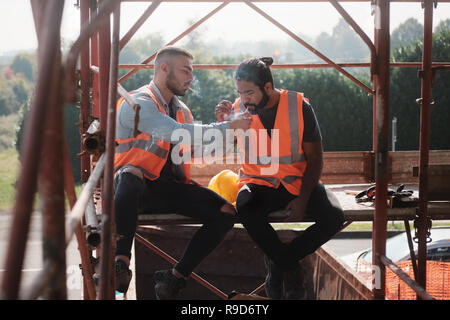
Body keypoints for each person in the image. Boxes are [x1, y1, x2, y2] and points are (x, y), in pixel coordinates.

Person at [113, 46, 251, 299]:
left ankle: (175, 277)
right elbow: (172, 131)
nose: (191, 78)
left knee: (225, 212)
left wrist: (230, 130)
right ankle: (120, 262)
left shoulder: (182, 110)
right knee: (131, 172)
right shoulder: (139, 102)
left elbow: (202, 153)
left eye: (192, 72)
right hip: (133, 190)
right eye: (185, 71)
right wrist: (224, 126)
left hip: (168, 190)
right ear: (163, 69)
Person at [215, 57, 345, 299]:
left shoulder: (299, 107)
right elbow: (219, 147)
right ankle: (291, 267)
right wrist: (224, 124)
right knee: (245, 209)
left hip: (295, 183)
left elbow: (315, 159)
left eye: (249, 92)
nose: (244, 99)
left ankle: (279, 261)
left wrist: (304, 199)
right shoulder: (238, 110)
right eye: (240, 92)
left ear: (267, 87)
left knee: (335, 216)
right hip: (256, 183)